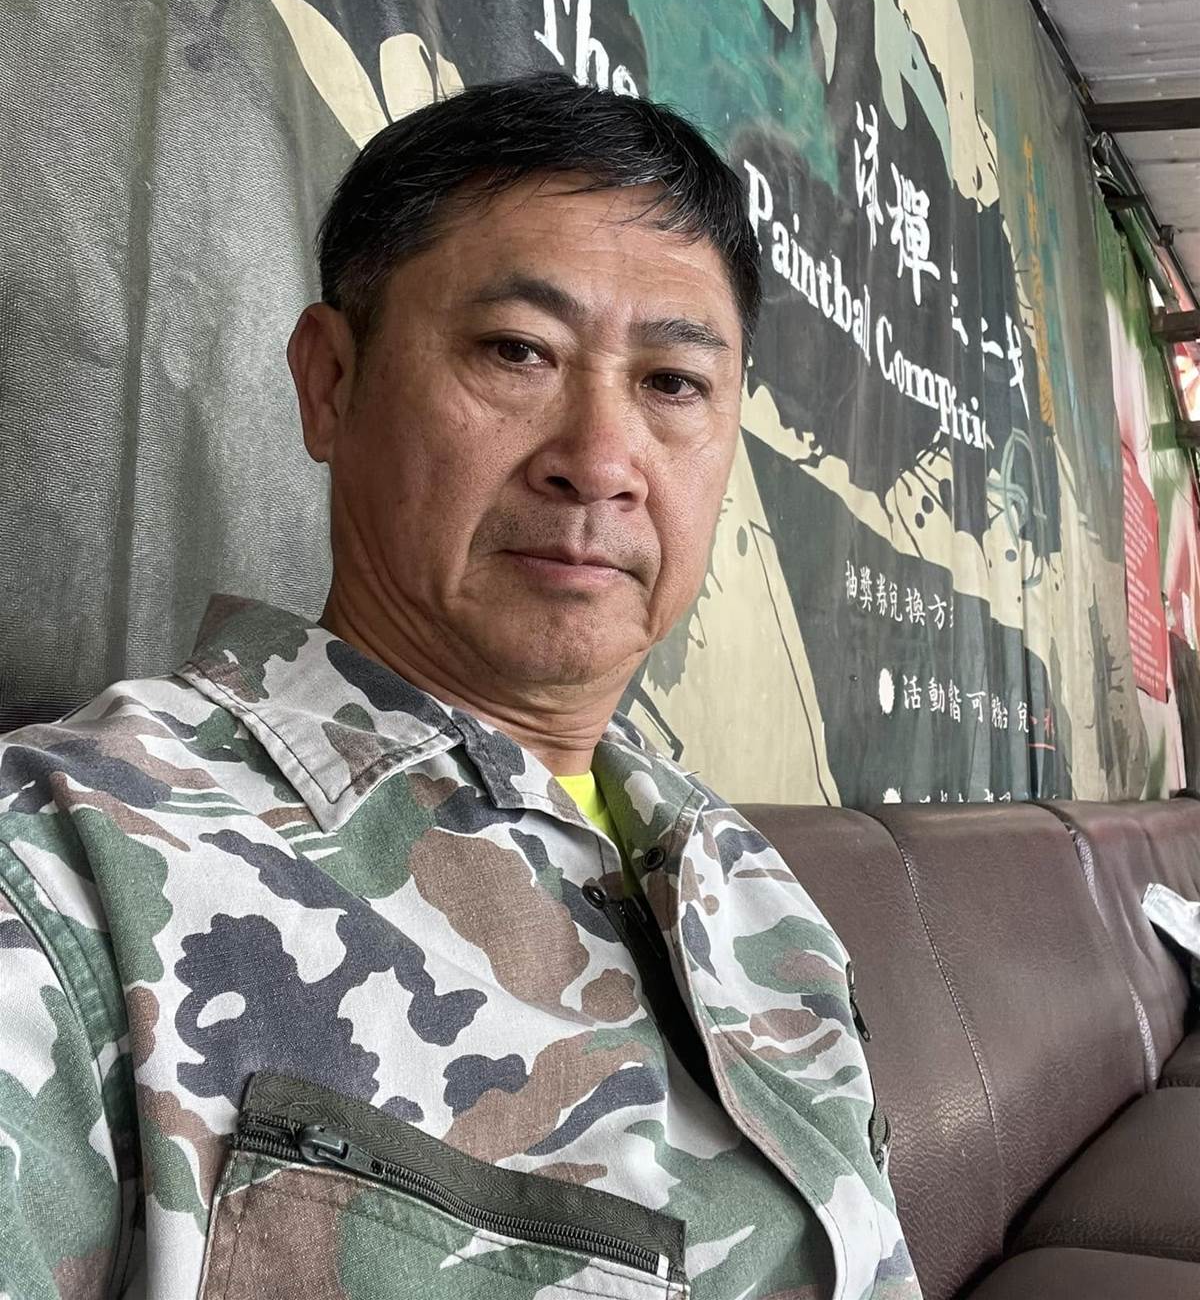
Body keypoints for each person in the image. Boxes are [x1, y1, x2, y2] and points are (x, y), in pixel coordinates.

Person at [0, 72, 917, 1300]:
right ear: (332, 382)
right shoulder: (68, 866)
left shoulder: (741, 880)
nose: (601, 460)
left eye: (671, 384)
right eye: (518, 352)